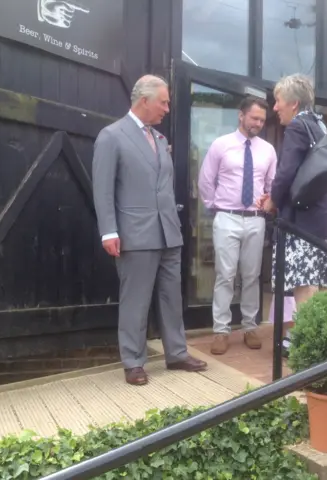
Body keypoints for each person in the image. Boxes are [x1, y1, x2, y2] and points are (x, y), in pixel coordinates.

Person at [92, 75, 207, 386]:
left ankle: (177, 353)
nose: (167, 108)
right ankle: (133, 361)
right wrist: (108, 231)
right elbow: (102, 190)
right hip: (134, 233)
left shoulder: (158, 140)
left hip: (168, 232)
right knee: (136, 299)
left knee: (172, 296)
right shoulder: (111, 136)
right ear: (144, 100)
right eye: (164, 102)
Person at [257, 74, 327, 355]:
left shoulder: (297, 127)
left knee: (305, 288)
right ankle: (325, 347)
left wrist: (272, 201)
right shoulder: (320, 124)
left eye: (278, 101)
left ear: (293, 104)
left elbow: (285, 173)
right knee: (325, 288)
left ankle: (311, 350)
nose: (275, 108)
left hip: (305, 225)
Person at [198, 96, 277, 356]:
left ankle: (250, 327)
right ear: (241, 116)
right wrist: (216, 206)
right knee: (225, 274)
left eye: (262, 120)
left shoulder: (267, 150)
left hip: (255, 219)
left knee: (252, 276)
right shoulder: (221, 145)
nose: (258, 123)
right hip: (227, 217)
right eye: (254, 118)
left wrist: (268, 200)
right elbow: (206, 180)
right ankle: (221, 330)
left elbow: (271, 184)